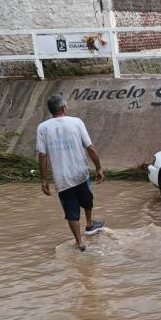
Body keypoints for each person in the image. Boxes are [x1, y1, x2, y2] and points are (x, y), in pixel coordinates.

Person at [37, 94, 105, 252]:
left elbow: (42, 155)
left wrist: (43, 180)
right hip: (80, 173)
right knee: (87, 200)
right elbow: (90, 147)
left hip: (62, 179)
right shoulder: (76, 122)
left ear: (51, 111)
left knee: (71, 211)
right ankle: (89, 225)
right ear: (64, 108)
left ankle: (80, 243)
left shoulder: (43, 128)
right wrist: (99, 167)